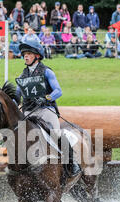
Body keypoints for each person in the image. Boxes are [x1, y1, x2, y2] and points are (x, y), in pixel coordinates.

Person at [15, 39, 80, 176]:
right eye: (24, 54)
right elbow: (16, 96)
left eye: (28, 54)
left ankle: (72, 163)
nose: (25, 56)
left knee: (56, 134)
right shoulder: (22, 75)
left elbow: (58, 91)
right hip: (28, 112)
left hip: (46, 110)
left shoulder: (47, 72)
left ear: (37, 55)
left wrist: (46, 98)